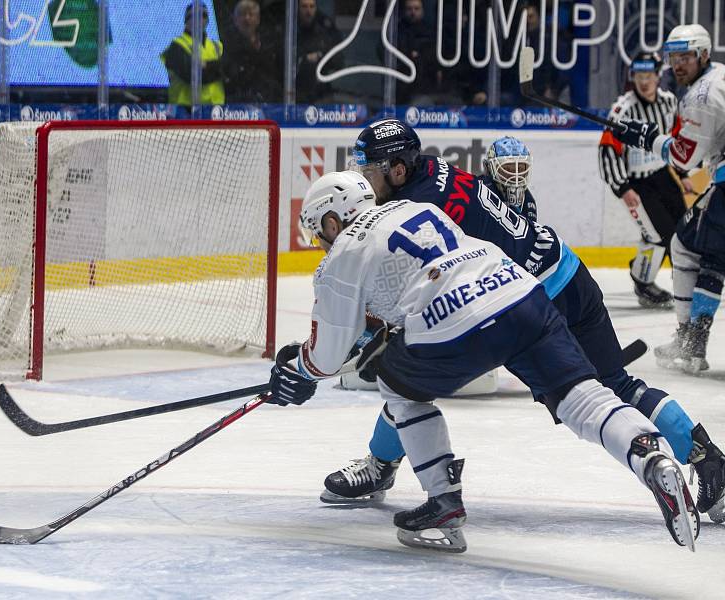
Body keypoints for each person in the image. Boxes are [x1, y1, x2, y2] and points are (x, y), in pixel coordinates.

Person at [268, 169, 699, 552]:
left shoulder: (342, 253)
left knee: (397, 386)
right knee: (581, 396)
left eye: (318, 233)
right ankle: (649, 456)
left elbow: (324, 359)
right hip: (520, 294)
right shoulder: (414, 207)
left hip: (453, 321)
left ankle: (443, 503)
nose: (320, 244)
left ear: (331, 219)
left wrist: (298, 371)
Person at [612, 24, 725, 374]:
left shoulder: (701, 97)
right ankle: (692, 343)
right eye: (673, 57)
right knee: (708, 253)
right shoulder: (720, 75)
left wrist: (648, 138)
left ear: (703, 55)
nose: (678, 64)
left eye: (685, 57)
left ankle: (689, 341)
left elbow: (684, 158)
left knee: (686, 248)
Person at [598, 51, 692, 309]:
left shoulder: (669, 103)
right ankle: (642, 282)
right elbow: (608, 151)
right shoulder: (622, 109)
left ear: (658, 76)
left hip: (662, 176)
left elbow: (677, 140)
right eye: (639, 75)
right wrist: (623, 187)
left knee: (682, 231)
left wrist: (682, 174)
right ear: (633, 77)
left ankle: (685, 282)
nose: (644, 81)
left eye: (648, 75)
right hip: (637, 184)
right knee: (658, 235)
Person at [161, 2, 225, 109]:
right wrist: (218, 66)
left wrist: (206, 65)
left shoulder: (217, 46)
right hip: (185, 109)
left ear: (208, 20)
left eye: (203, 15)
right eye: (195, 16)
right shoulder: (177, 45)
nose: (200, 20)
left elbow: (231, 69)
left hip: (216, 108)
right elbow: (192, 75)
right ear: (187, 20)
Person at [221, 0, 281, 103]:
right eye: (242, 14)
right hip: (236, 102)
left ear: (258, 19)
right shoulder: (226, 42)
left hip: (267, 101)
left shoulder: (269, 41)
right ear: (235, 20)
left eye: (251, 14)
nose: (247, 18)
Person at [296, 0, 343, 104]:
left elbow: (339, 61)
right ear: (298, 8)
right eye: (304, 7)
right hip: (295, 91)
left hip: (321, 93)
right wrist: (304, 59)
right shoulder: (291, 29)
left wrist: (321, 56)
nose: (308, 11)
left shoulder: (325, 28)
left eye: (311, 6)